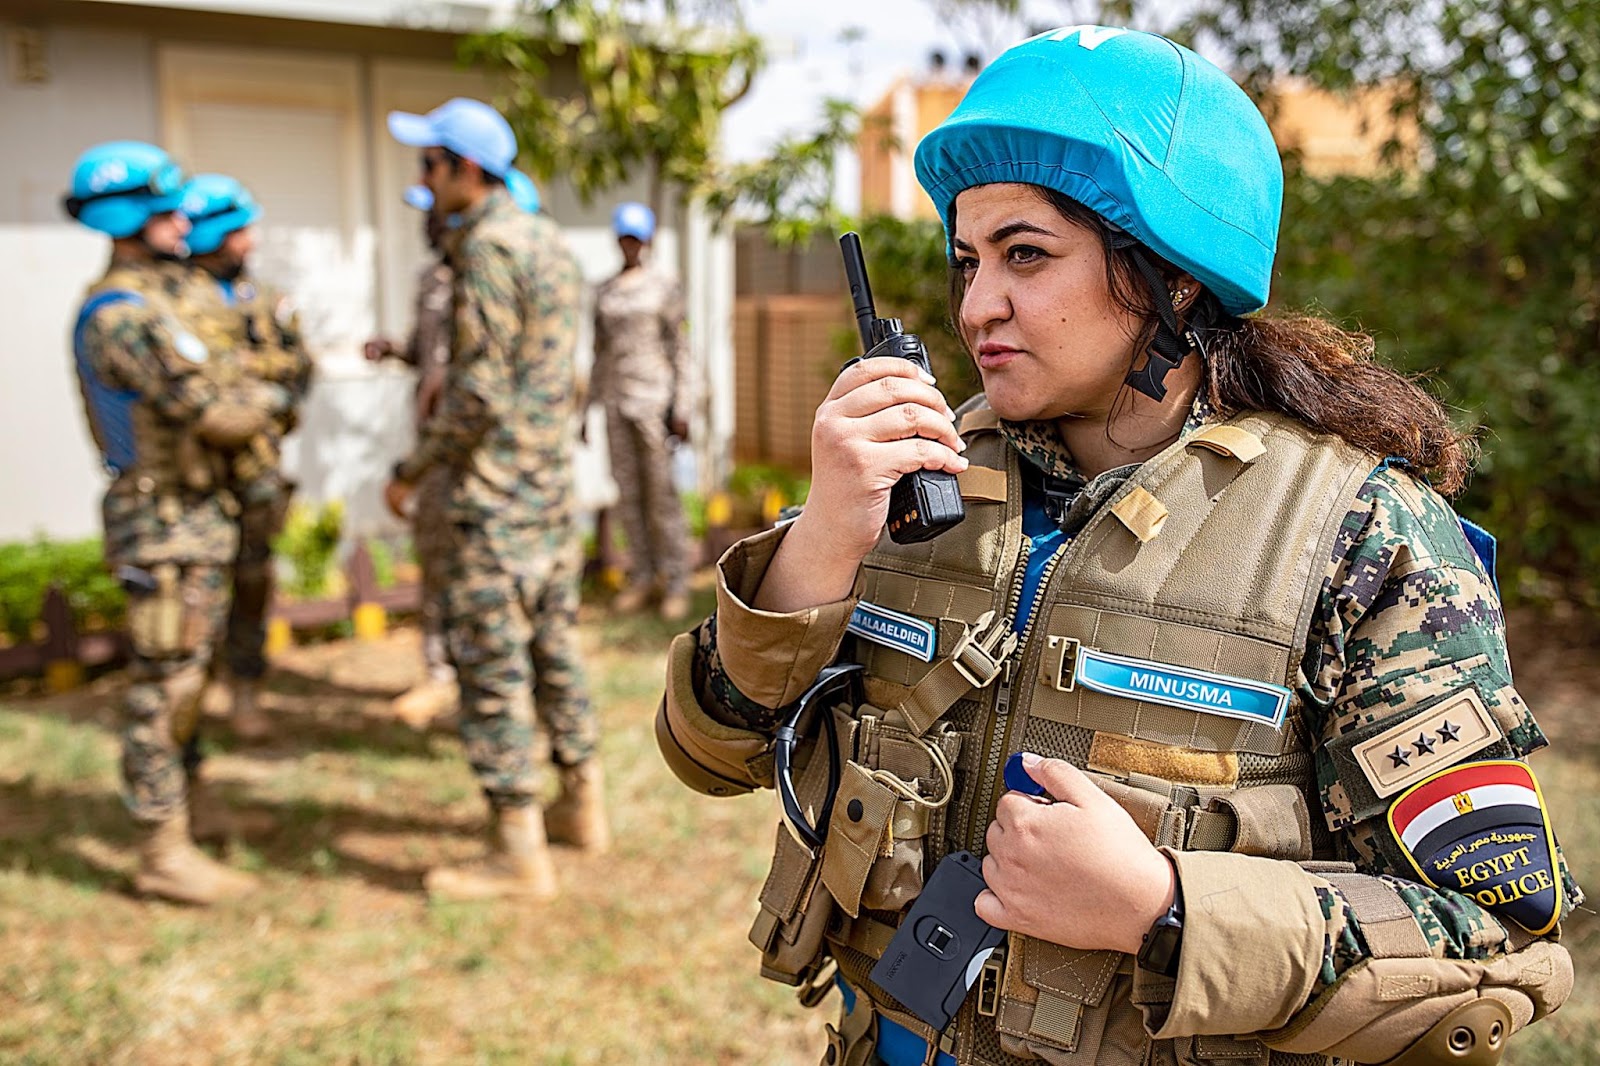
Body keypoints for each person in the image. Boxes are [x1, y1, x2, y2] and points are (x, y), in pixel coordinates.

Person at [656, 27, 1576, 1066]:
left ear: (1172, 279)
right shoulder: (912, 474)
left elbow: (1494, 945)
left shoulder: (1356, 530)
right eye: (967, 260)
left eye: (1026, 254)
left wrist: (1166, 907)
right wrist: (820, 541)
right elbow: (709, 754)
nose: (976, 305)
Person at [382, 98, 609, 900]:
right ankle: (583, 806)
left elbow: (477, 392)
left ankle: (516, 849)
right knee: (555, 649)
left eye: (429, 164)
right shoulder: (549, 242)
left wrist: (414, 467)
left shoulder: (485, 249)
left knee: (493, 670)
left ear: (465, 170)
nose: (422, 179)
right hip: (547, 491)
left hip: (491, 498)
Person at [64, 142, 270, 904]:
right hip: (162, 523)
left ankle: (187, 807)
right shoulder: (121, 317)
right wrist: (261, 407)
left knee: (191, 675)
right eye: (169, 208)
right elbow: (210, 410)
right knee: (165, 686)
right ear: (134, 216)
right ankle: (160, 847)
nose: (185, 219)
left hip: (190, 520)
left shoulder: (154, 302)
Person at [367, 170, 544, 730]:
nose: (427, 220)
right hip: (438, 440)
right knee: (437, 558)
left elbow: (490, 376)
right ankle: (439, 672)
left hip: (475, 449)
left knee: (486, 577)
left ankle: (488, 687)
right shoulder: (433, 279)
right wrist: (394, 350)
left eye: (433, 209)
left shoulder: (491, 269)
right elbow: (429, 354)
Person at [177, 173, 313, 743]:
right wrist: (253, 379)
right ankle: (193, 692)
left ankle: (247, 689)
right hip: (199, 473)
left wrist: (255, 387)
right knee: (196, 589)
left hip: (257, 467)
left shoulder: (266, 299)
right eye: (240, 231)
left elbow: (299, 367)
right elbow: (189, 385)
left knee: (254, 579)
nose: (250, 242)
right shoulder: (175, 301)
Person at [589, 201, 695, 621]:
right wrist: (585, 411)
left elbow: (680, 349)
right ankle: (642, 575)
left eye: (637, 237)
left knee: (662, 496)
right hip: (616, 402)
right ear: (617, 239)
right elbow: (599, 353)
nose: (630, 244)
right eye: (624, 236)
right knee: (628, 495)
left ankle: (676, 581)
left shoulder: (665, 286)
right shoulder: (604, 291)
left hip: (655, 402)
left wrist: (683, 405)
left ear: (647, 240)